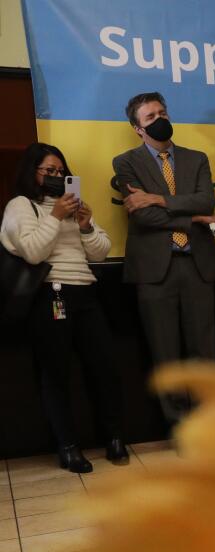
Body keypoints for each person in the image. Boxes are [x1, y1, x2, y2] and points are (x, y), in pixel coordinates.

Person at [2, 143, 126, 473]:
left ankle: (113, 437)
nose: (57, 176)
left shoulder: (74, 206)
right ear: (34, 173)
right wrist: (55, 216)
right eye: (49, 171)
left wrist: (85, 224)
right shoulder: (21, 206)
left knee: (104, 369)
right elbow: (32, 251)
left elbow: (99, 252)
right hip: (48, 296)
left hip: (86, 293)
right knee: (56, 374)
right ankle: (68, 447)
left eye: (61, 171)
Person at [113, 91, 215, 425]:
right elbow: (142, 217)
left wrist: (158, 199)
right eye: (150, 117)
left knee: (204, 353)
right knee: (166, 354)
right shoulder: (126, 162)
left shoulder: (197, 158)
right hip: (154, 271)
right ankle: (180, 428)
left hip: (197, 265)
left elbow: (205, 200)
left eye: (162, 113)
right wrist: (194, 220)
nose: (160, 120)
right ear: (137, 128)